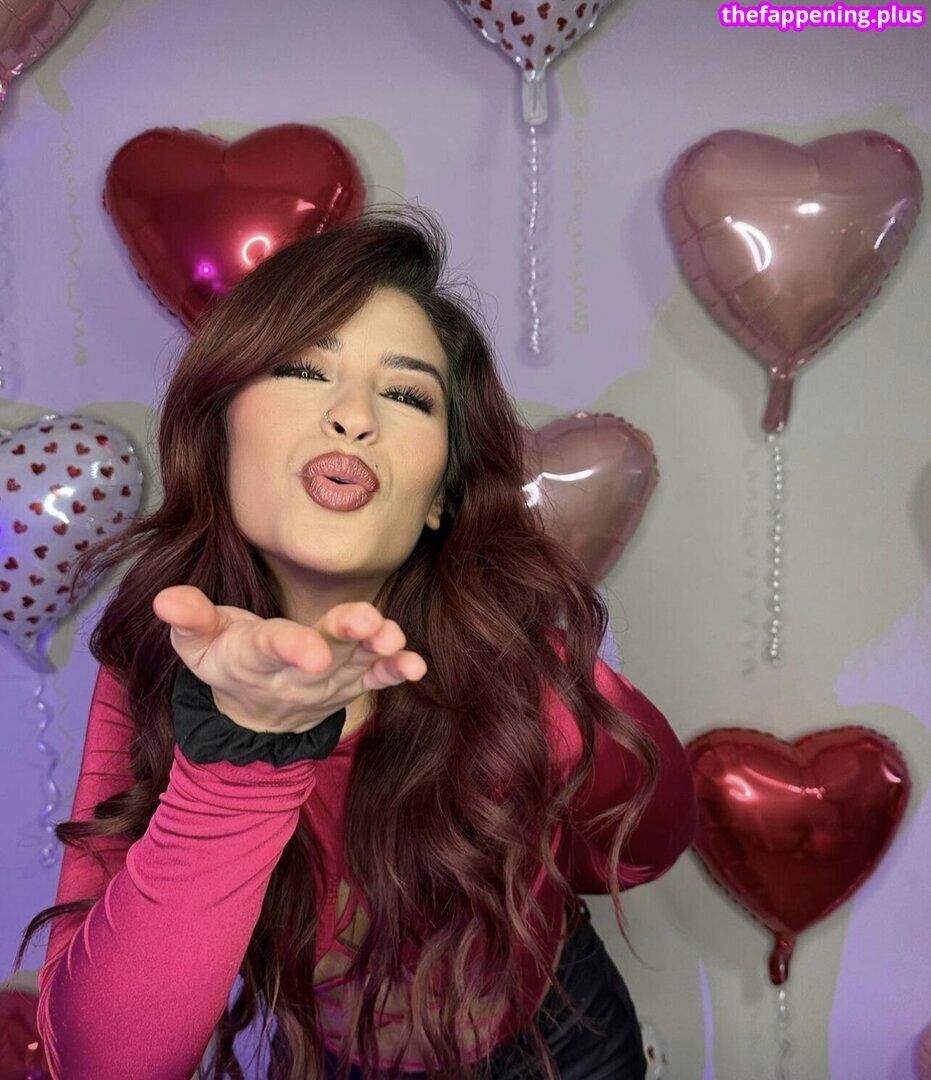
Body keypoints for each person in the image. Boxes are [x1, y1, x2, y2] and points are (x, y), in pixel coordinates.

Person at [13, 205, 697, 1080]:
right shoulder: (156, 658)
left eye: (406, 394)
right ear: (219, 437)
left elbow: (643, 847)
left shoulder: (515, 651)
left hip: (566, 1035)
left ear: (439, 496)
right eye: (305, 370)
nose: (353, 417)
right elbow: (104, 1064)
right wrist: (244, 751)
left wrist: (548, 688)